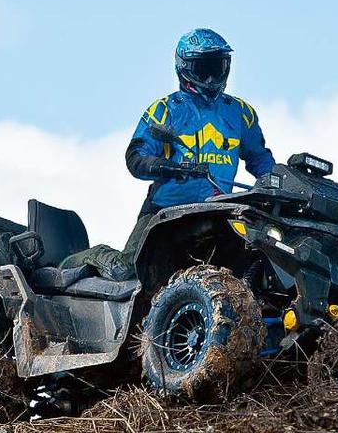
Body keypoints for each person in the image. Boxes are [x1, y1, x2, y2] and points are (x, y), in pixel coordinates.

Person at [61, 27, 275, 279]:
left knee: (252, 264)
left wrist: (277, 182)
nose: (210, 79)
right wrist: (167, 167)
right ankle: (85, 257)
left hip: (217, 213)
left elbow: (260, 158)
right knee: (127, 271)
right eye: (202, 70)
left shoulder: (240, 112)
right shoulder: (164, 110)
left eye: (216, 68)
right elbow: (136, 156)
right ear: (184, 68)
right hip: (165, 212)